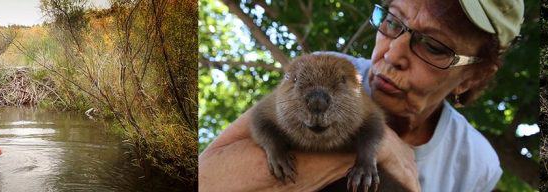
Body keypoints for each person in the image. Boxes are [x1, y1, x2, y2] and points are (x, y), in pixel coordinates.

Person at [198, 0, 523, 191]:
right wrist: (371, 148)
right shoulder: (325, 71)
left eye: (435, 46)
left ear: (472, 76)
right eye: (393, 22)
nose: (393, 53)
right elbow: (204, 178)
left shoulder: (476, 163)